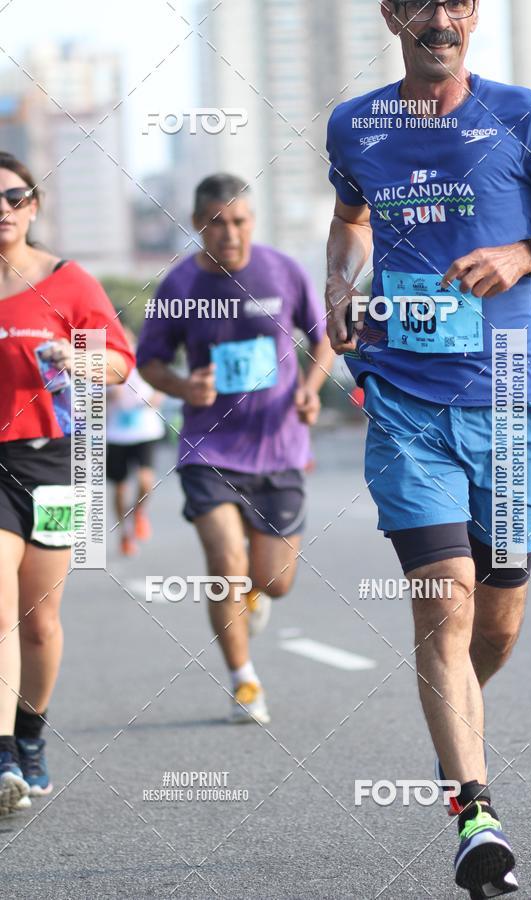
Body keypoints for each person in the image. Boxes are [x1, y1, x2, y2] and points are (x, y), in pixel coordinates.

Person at [325, 2, 531, 896]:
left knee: (497, 620)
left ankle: (458, 715)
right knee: (443, 596)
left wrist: (530, 253)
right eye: (421, 2)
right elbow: (351, 219)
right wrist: (338, 285)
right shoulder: (355, 123)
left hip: (515, 397)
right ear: (392, 15)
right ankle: (475, 811)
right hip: (405, 395)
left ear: (473, 15)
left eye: (456, 2)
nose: (438, 17)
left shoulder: (526, 116)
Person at [137, 173, 334, 724]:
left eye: (240, 221)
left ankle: (256, 592)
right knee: (226, 563)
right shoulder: (179, 286)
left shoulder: (282, 271)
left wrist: (309, 390)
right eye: (217, 223)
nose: (230, 233)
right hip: (209, 448)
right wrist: (184, 387)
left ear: (253, 220)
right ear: (198, 224)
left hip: (279, 446)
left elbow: (323, 340)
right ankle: (244, 682)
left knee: (275, 581)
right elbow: (149, 362)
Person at [0, 152, 135, 816]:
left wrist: (77, 357)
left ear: (34, 206)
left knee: (40, 623)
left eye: (14, 197)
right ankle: (2, 756)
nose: (3, 210)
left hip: (56, 465)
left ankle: (30, 735)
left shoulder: (69, 281)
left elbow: (119, 363)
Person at [106, 327, 165, 556]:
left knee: (145, 481)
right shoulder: (104, 361)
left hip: (145, 431)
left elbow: (162, 384)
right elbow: (89, 396)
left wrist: (156, 398)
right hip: (117, 434)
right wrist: (108, 395)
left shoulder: (146, 358)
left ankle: (139, 511)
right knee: (120, 488)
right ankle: (125, 532)